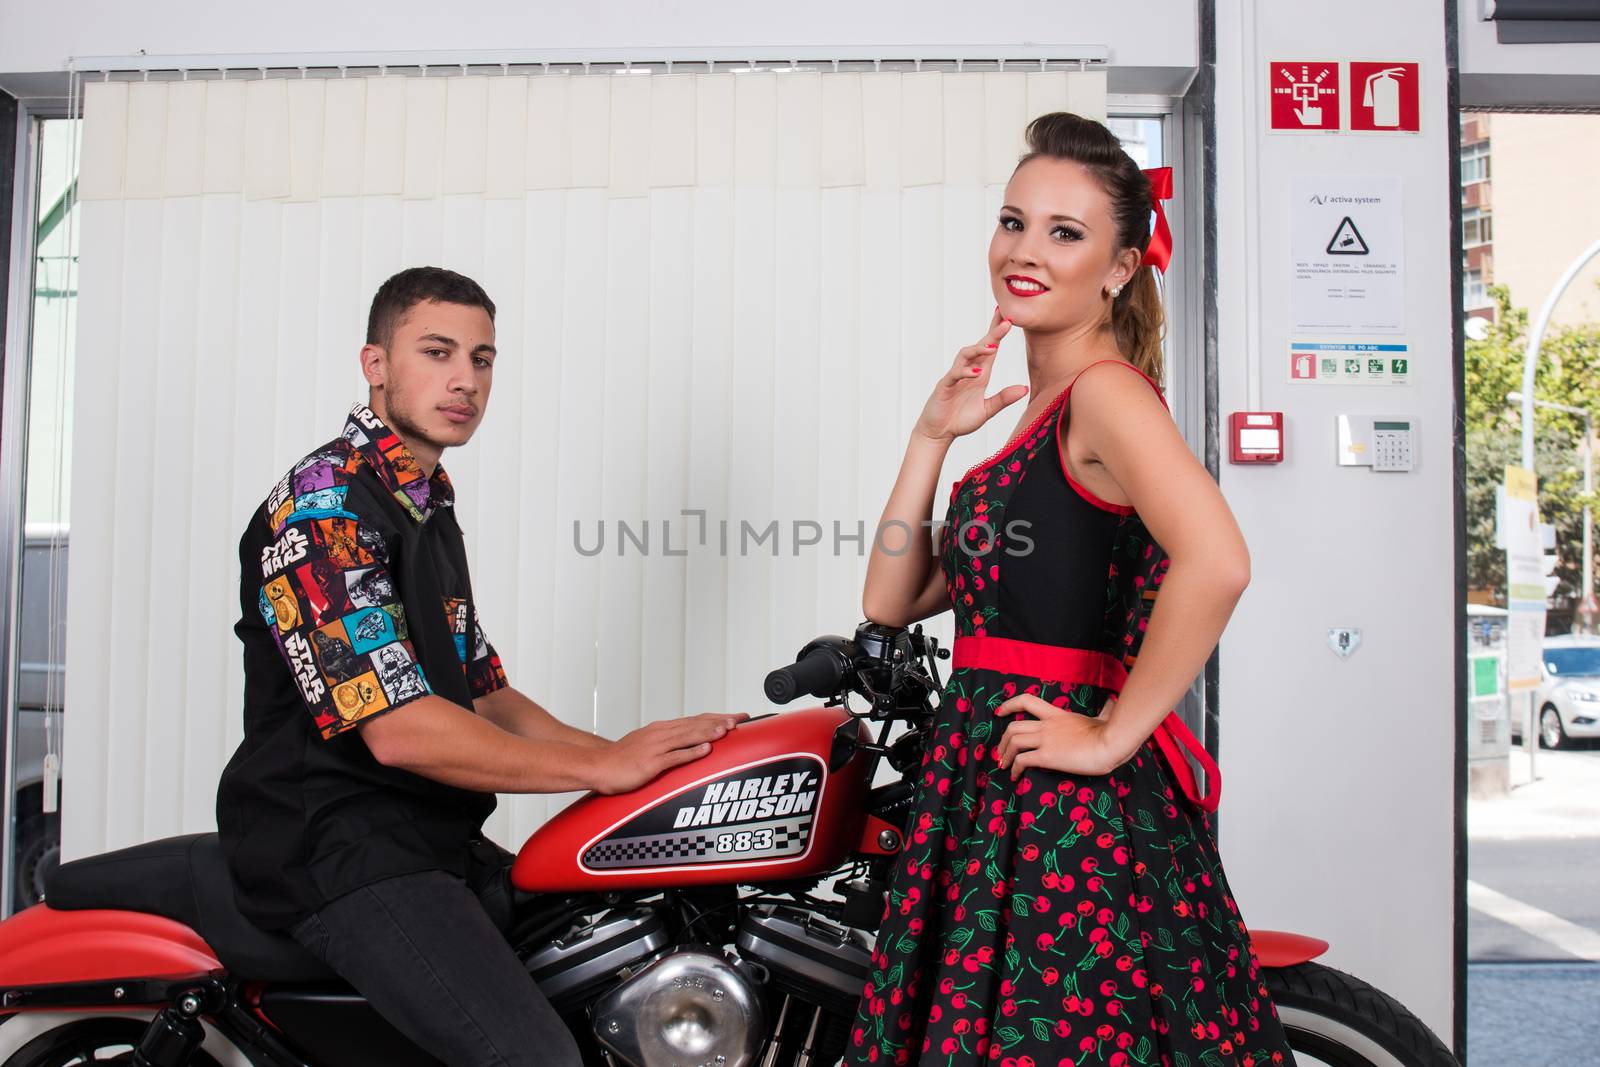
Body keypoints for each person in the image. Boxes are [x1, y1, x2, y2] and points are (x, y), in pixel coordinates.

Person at [848, 114, 1295, 1066]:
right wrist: (932, 437)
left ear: (1121, 266)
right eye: (1015, 222)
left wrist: (1109, 732)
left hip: (1061, 805)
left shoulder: (1106, 394)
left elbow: (1219, 560)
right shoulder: (1032, 417)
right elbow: (892, 597)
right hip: (989, 779)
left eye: (1064, 232)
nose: (1024, 250)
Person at [216, 266, 744, 1067]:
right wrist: (600, 766)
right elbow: (396, 728)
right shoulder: (325, 506)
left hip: (429, 836)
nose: (465, 378)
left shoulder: (424, 500)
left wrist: (641, 769)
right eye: (437, 351)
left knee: (604, 968)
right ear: (376, 363)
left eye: (483, 358)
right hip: (339, 846)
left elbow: (484, 692)